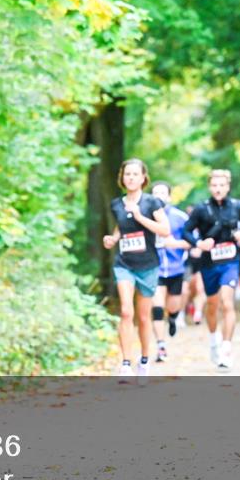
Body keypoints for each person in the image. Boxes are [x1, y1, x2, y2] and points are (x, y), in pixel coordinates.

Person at [103, 159, 171, 380]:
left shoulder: (152, 203)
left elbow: (165, 230)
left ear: (143, 178)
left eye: (135, 174)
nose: (130, 178)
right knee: (125, 311)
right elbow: (121, 227)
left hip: (148, 265)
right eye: (127, 174)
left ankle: (144, 359)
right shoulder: (116, 204)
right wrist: (112, 239)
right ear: (122, 178)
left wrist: (140, 216)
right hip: (125, 264)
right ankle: (125, 362)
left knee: (143, 317)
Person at [181, 169, 240, 371]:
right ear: (210, 187)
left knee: (227, 302)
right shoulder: (201, 209)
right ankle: (214, 340)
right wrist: (198, 243)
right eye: (214, 185)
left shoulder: (238, 206)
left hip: (230, 260)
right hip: (209, 263)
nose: (218, 189)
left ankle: (226, 348)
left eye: (222, 185)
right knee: (212, 305)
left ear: (228, 187)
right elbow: (185, 231)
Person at [151, 181, 191, 362]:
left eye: (162, 193)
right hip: (154, 269)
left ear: (169, 197)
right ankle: (161, 346)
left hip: (176, 269)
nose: (159, 196)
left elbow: (192, 242)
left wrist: (174, 243)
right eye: (155, 193)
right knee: (157, 307)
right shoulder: (144, 217)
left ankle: (174, 318)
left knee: (173, 305)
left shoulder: (180, 217)